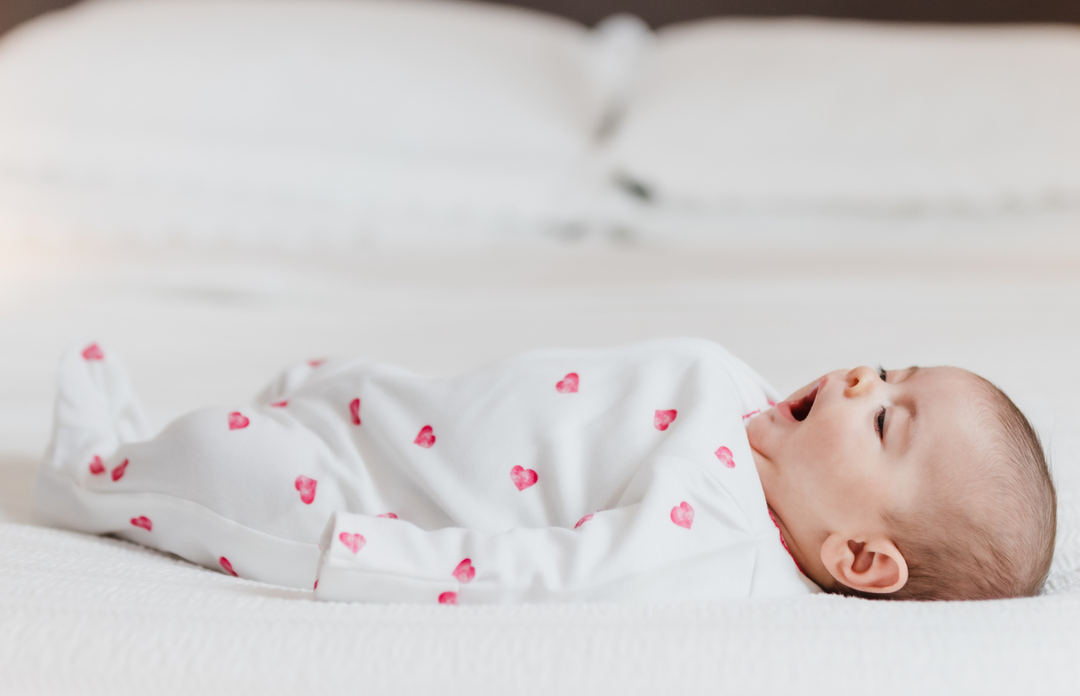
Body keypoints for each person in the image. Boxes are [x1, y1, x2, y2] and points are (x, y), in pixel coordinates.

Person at [34, 338, 1055, 603]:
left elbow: (547, 577)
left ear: (864, 556)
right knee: (281, 409)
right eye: (890, 368)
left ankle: (95, 476)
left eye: (886, 421)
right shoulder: (761, 432)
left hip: (361, 497)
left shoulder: (714, 538)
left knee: (221, 457)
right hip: (391, 419)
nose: (857, 379)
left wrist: (356, 553)